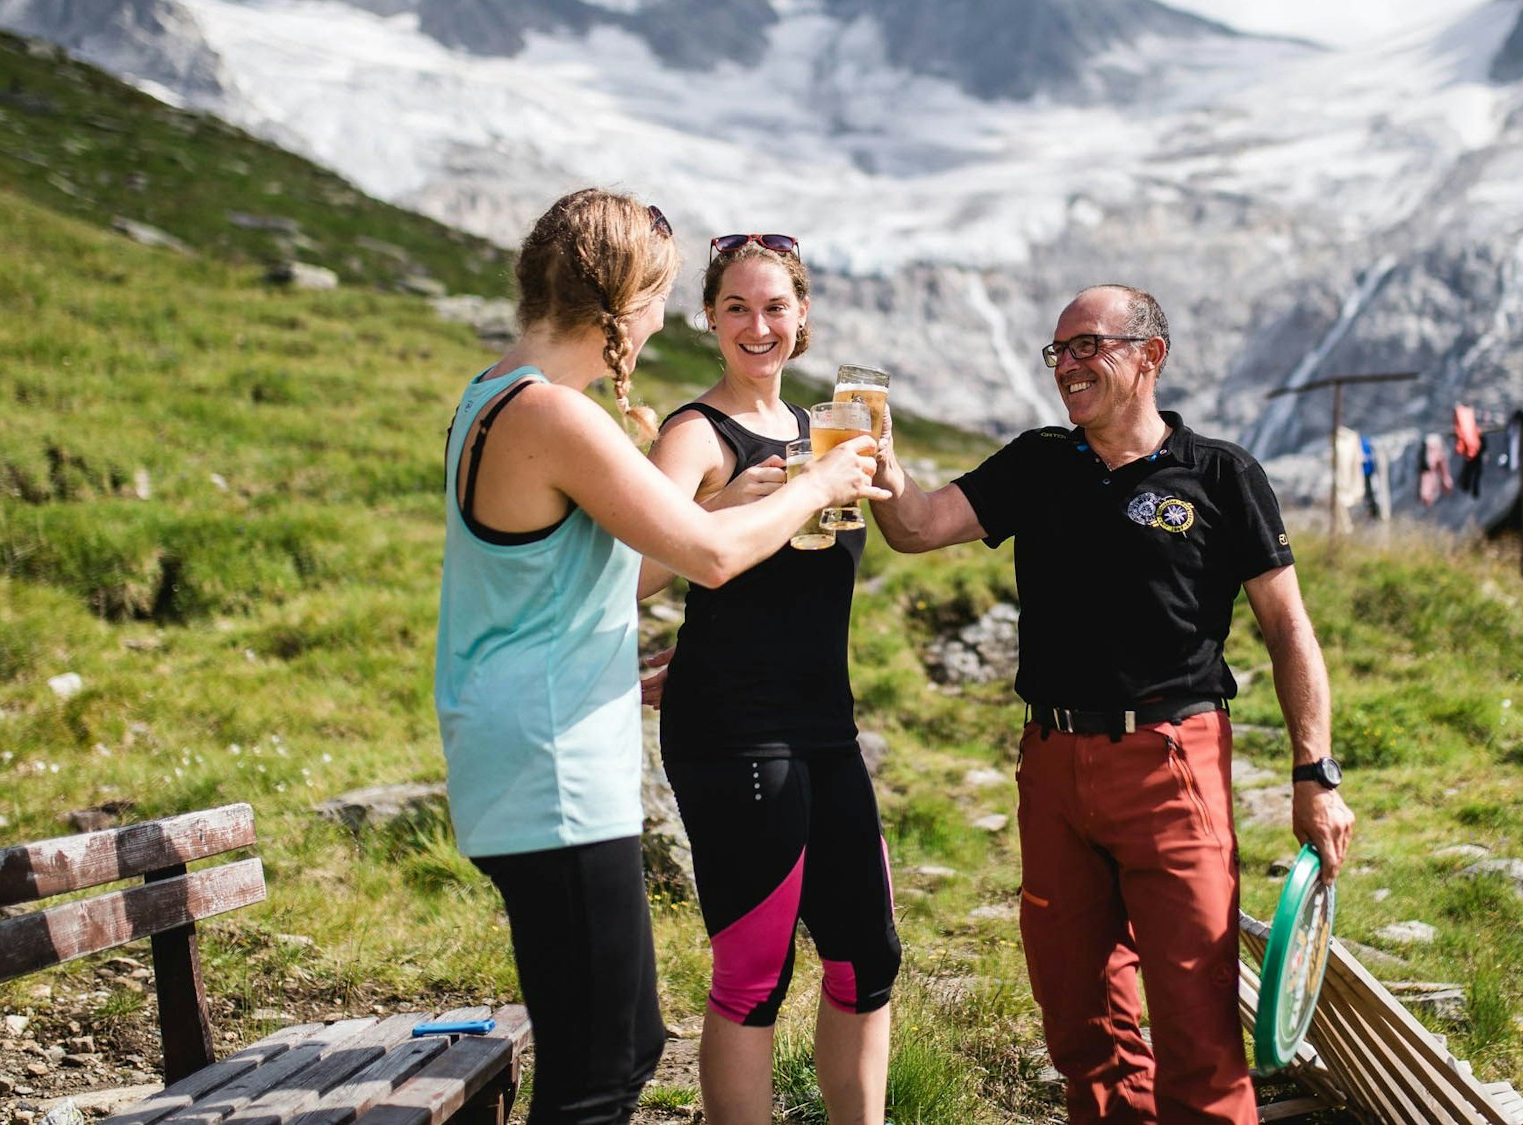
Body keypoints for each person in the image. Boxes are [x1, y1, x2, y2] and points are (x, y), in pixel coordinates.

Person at [433, 189, 886, 1125]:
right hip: (551, 760)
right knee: (605, 1063)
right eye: (660, 299)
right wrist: (824, 482)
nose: (654, 323)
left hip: (524, 741)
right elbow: (704, 554)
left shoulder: (492, 393)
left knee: (616, 1046)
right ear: (620, 306)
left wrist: (673, 660)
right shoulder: (557, 414)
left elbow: (549, 579)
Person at [868, 284, 1355, 1125]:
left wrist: (1315, 771)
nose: (1069, 366)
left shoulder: (1222, 474)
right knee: (1081, 1021)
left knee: (1198, 1020)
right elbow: (914, 527)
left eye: (1088, 345)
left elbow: (1289, 630)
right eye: (1058, 351)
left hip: (1173, 761)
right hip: (1052, 763)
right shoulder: (1038, 463)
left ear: (1150, 355)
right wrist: (876, 463)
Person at [637, 233, 899, 1125]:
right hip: (734, 731)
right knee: (754, 974)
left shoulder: (825, 432)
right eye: (738, 307)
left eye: (776, 306)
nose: (759, 325)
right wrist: (716, 505)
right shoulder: (695, 433)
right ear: (708, 316)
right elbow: (632, 570)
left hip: (826, 724)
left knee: (868, 958)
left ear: (803, 318)